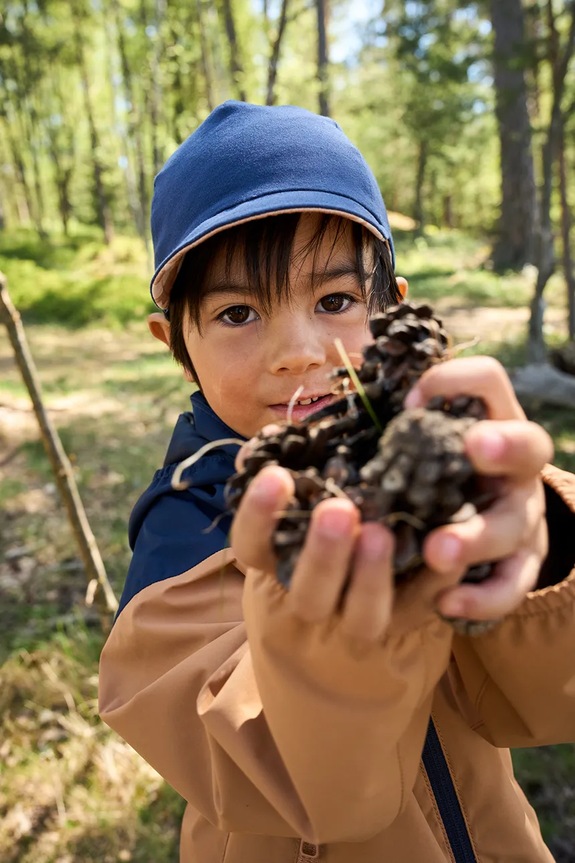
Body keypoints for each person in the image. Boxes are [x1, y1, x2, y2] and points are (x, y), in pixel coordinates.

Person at [99, 100, 575, 863]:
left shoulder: (435, 460)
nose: (298, 351)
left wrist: (540, 546)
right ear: (174, 342)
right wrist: (331, 636)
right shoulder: (187, 521)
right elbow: (282, 775)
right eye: (236, 312)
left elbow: (544, 701)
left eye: (334, 301)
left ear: (390, 308)